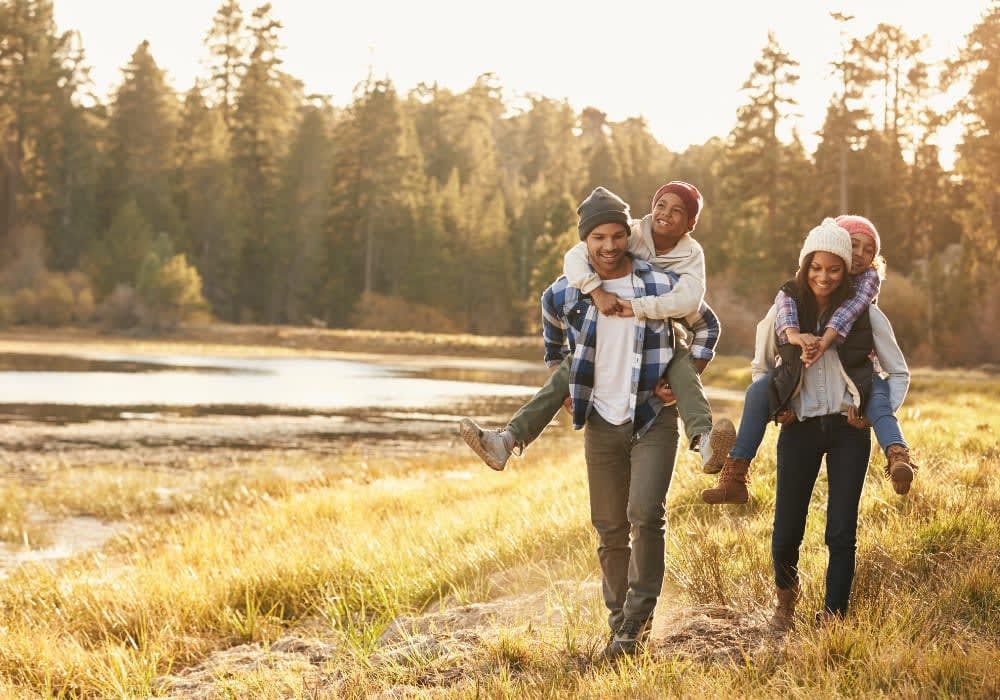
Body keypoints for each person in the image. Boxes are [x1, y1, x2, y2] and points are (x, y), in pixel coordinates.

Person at [460, 181, 735, 475]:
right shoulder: (628, 233)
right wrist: (595, 291)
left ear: (691, 223)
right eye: (660, 205)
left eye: (677, 210)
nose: (665, 213)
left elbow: (694, 303)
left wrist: (681, 374)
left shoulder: (690, 257)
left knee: (682, 364)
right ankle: (506, 441)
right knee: (572, 365)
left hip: (663, 337)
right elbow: (575, 257)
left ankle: (705, 442)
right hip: (606, 340)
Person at [531, 186, 683, 661]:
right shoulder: (563, 291)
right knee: (610, 527)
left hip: (652, 416)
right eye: (599, 237)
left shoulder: (656, 284)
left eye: (618, 235)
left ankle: (637, 620)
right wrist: (565, 394)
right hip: (600, 419)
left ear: (628, 236)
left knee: (645, 514)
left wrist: (688, 373)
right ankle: (621, 625)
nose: (610, 246)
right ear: (585, 241)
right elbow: (553, 339)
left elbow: (708, 325)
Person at [744, 219, 910, 627]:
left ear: (843, 269)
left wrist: (871, 411)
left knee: (841, 530)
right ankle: (785, 601)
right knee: (786, 528)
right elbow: (760, 367)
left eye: (834, 268)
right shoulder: (784, 312)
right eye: (817, 268)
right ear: (807, 265)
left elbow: (898, 373)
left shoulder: (867, 315)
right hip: (798, 428)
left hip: (847, 431)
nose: (824, 276)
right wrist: (778, 404)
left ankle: (834, 614)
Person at [701, 214, 916, 505]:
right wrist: (781, 399)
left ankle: (898, 455)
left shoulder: (865, 292)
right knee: (757, 391)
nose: (861, 256)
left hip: (857, 382)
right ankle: (735, 471)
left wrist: (824, 341)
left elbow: (850, 314)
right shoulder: (792, 295)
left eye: (869, 251)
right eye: (854, 246)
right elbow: (771, 341)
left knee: (877, 394)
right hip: (800, 401)